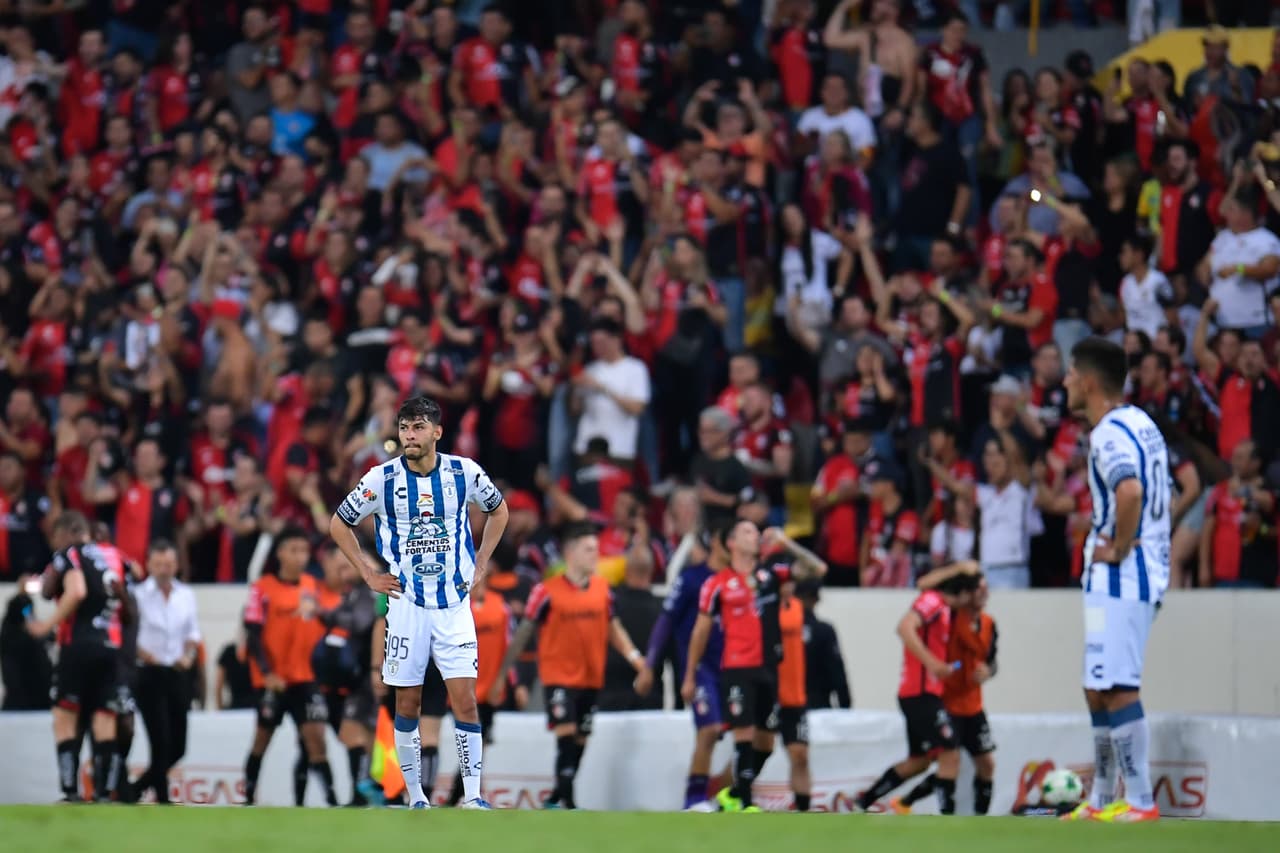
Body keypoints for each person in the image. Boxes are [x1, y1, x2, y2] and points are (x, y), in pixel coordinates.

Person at [329, 395, 510, 810]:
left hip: (453, 606)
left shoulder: (464, 472)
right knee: (406, 703)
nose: (409, 435)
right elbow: (339, 523)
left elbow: (499, 512)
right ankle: (415, 797)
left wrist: (482, 561)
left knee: (465, 700)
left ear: (436, 432)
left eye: (418, 427)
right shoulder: (381, 479)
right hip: (406, 606)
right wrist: (367, 573)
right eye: (404, 427)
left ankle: (473, 796)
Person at [1060, 337, 1171, 822]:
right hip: (1127, 573)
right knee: (1097, 683)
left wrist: (1121, 547)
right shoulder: (1140, 421)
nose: (1064, 381)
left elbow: (1130, 491)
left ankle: (1141, 801)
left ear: (1088, 382)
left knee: (1119, 685)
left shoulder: (1108, 434)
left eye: (1070, 373)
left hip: (1126, 574)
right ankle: (1102, 799)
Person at [492, 521, 652, 810]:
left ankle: (557, 797)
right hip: (558, 676)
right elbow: (524, 633)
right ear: (571, 553)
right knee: (565, 734)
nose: (595, 556)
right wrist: (504, 674)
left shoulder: (603, 590)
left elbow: (613, 628)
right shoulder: (546, 591)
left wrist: (635, 658)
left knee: (581, 739)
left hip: (591, 677)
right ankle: (569, 800)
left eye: (596, 550)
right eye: (589, 550)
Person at [682, 520, 824, 813]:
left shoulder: (770, 575)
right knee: (744, 732)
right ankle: (746, 803)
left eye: (756, 532)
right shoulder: (717, 584)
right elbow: (700, 631)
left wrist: (787, 544)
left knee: (765, 743)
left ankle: (733, 794)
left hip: (768, 669)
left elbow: (817, 569)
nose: (755, 536)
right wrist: (689, 675)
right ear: (731, 543)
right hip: (737, 668)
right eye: (747, 531)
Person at [856, 565, 979, 814]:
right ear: (965, 592)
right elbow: (904, 627)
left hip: (920, 693)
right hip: (920, 693)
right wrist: (933, 663)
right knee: (950, 753)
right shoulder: (933, 601)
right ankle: (947, 817)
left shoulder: (942, 608)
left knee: (919, 762)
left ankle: (861, 803)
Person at [29, 512, 130, 803]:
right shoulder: (113, 555)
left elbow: (77, 591)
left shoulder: (71, 553)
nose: (54, 545)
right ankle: (103, 794)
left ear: (66, 533)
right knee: (104, 719)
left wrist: (46, 625)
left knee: (65, 716)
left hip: (77, 645)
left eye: (55, 538)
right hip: (110, 646)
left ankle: (70, 792)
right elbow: (133, 579)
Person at [240, 527, 337, 807]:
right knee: (262, 739)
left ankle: (332, 801)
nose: (300, 557)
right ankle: (248, 798)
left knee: (315, 740)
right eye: (294, 550)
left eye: (304, 551)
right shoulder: (262, 588)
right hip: (274, 680)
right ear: (280, 553)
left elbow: (328, 622)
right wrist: (267, 672)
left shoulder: (312, 586)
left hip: (305, 677)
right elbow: (252, 634)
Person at [893, 569, 998, 815]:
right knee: (947, 759)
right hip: (947, 701)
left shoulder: (989, 624)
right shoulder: (948, 613)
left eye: (986, 589)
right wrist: (961, 567)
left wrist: (988, 671)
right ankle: (912, 804)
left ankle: (981, 818)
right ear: (967, 592)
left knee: (986, 763)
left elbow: (992, 661)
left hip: (973, 704)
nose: (984, 594)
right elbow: (925, 585)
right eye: (979, 588)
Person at [645, 526, 726, 810]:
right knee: (709, 729)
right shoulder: (691, 579)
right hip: (700, 667)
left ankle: (724, 792)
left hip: (735, 668)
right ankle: (694, 799)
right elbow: (666, 619)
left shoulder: (738, 580)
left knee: (752, 737)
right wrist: (649, 664)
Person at [131, 539, 201, 804]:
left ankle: (134, 789)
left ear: (177, 565)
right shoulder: (138, 595)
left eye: (169, 564)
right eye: (159, 564)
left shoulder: (186, 595)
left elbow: (193, 632)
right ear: (149, 564)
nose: (164, 569)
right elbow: (129, 634)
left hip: (176, 672)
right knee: (159, 741)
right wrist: (143, 654)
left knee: (179, 746)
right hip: (149, 673)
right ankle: (162, 797)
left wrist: (189, 655)